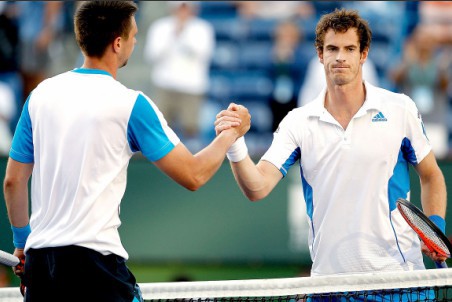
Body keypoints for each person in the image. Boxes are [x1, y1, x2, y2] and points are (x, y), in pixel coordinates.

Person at [3, 1, 250, 301]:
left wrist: (21, 243)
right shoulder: (131, 104)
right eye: (133, 35)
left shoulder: (39, 96)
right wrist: (232, 133)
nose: (135, 41)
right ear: (118, 43)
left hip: (42, 266)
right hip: (96, 268)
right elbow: (194, 174)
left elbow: (13, 182)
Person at [215, 8, 447, 277]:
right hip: (329, 285)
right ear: (320, 54)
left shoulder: (400, 109)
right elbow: (257, 187)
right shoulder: (297, 122)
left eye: (349, 49)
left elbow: (431, 175)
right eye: (332, 48)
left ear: (363, 54)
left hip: (397, 280)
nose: (340, 57)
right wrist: (234, 142)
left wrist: (434, 229)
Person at [143, 1, 215, 150]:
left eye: (186, 8)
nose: (183, 12)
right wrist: (173, 35)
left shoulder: (203, 28)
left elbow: (204, 54)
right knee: (160, 126)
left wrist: (184, 35)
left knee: (191, 127)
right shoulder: (160, 27)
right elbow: (152, 55)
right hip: (164, 84)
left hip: (192, 86)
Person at [390, 26, 449, 160]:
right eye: (421, 40)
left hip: (435, 122)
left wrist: (441, 61)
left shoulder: (440, 63)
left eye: (428, 40)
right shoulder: (406, 61)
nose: (425, 44)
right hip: (410, 124)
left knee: (436, 164)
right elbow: (394, 77)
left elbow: (445, 85)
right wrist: (409, 58)